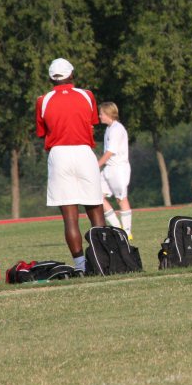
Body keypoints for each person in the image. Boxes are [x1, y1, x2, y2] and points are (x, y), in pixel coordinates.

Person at [35, 58, 106, 275]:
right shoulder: (87, 95)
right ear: (72, 74)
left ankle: (81, 266)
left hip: (59, 155)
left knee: (70, 216)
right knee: (95, 210)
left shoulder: (43, 100)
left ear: (50, 78)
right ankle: (102, 260)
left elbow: (42, 132)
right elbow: (92, 122)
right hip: (84, 152)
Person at [97, 102, 133, 240]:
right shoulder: (109, 128)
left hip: (118, 169)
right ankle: (118, 228)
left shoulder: (117, 129)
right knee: (97, 196)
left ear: (107, 113)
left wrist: (97, 165)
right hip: (108, 169)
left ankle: (127, 232)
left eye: (101, 113)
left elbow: (110, 152)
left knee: (121, 199)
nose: (99, 116)